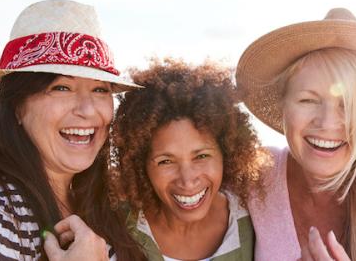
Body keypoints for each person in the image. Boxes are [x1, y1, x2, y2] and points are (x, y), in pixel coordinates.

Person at [0, 0, 145, 261]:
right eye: (61, 88)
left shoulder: (104, 201)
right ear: (17, 106)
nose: (88, 110)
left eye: (100, 89)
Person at [236, 8, 356, 261]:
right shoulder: (255, 176)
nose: (328, 123)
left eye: (350, 105)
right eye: (308, 100)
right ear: (282, 106)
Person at [108, 58, 268, 260]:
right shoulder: (114, 228)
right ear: (140, 164)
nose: (187, 180)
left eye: (201, 156)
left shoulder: (255, 221)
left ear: (226, 154)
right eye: (166, 161)